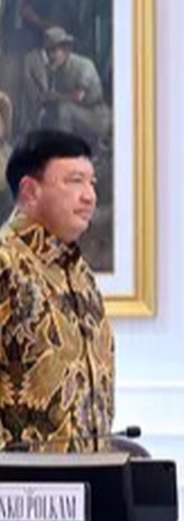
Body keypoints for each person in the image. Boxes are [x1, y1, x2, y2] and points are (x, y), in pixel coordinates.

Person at [0, 128, 112, 452]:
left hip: (91, 477)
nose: (89, 196)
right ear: (30, 191)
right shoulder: (6, 264)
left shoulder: (81, 275)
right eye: (75, 181)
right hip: (20, 481)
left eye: (91, 182)